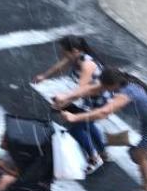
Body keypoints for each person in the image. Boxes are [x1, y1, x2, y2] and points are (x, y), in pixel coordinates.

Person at [32, 35, 109, 174]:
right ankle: (103, 152)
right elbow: (60, 64)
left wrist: (63, 103)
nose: (63, 54)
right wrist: (44, 75)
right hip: (90, 96)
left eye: (65, 52)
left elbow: (80, 91)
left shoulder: (87, 65)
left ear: (74, 50)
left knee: (76, 128)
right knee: (87, 124)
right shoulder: (76, 57)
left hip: (99, 100)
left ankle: (94, 158)